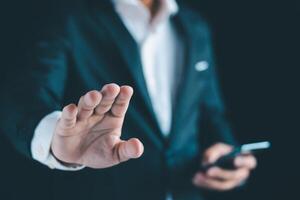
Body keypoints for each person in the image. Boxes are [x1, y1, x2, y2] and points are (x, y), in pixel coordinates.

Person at [0, 0, 257, 199]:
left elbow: (211, 113)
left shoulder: (195, 26)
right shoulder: (67, 15)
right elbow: (23, 98)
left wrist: (231, 156)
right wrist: (56, 144)